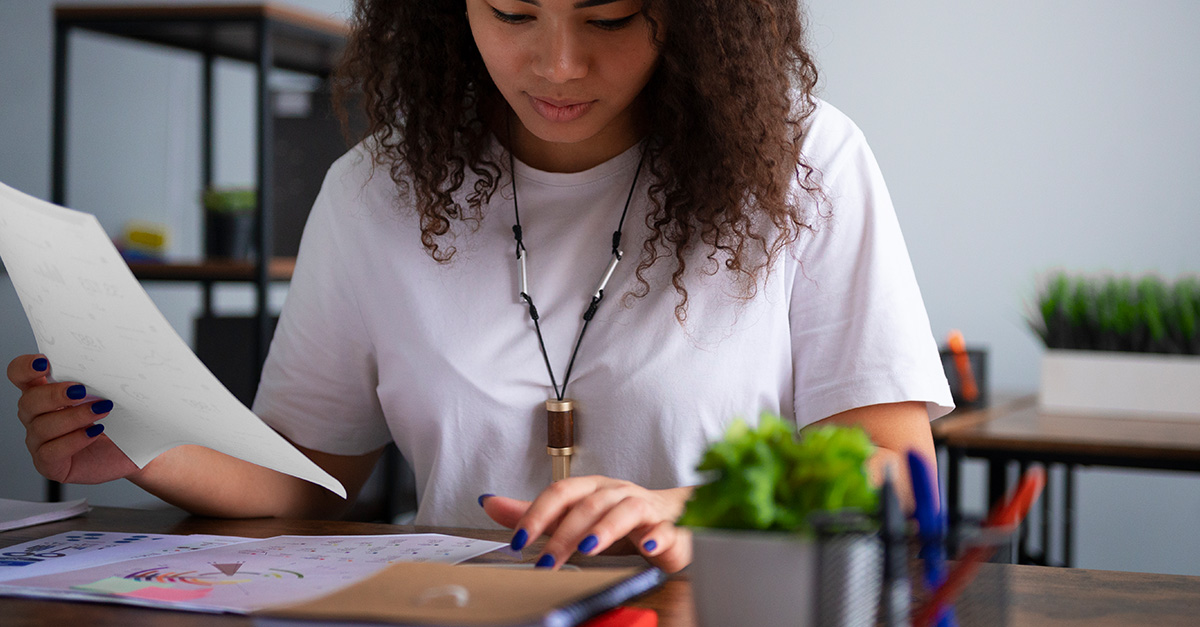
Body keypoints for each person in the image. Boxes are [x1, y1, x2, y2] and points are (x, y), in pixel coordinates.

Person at [8, 0, 952, 574]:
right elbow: (315, 476)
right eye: (509, 14)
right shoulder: (377, 188)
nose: (557, 64)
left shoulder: (801, 162)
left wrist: (694, 514)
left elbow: (894, 468)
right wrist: (144, 441)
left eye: (609, 17)